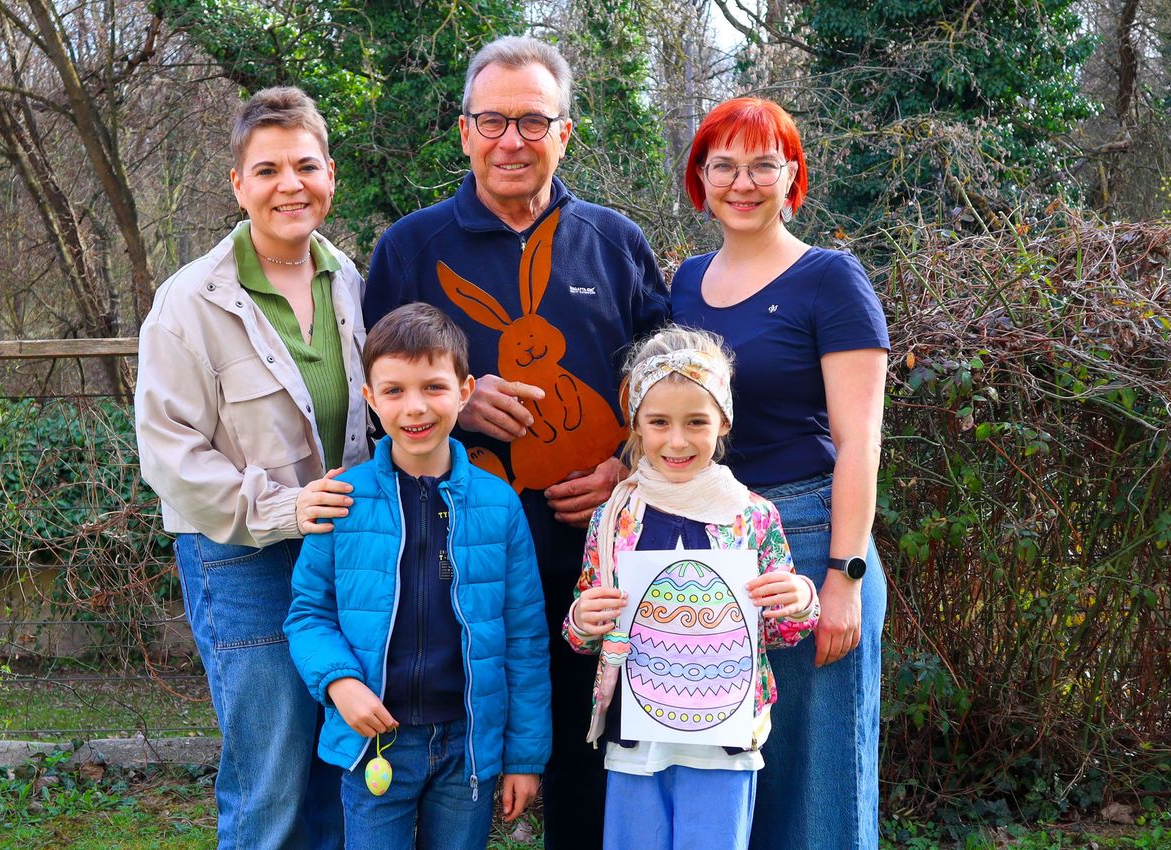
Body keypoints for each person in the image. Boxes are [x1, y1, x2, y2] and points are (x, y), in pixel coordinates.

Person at [363, 35, 668, 848]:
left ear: (566, 132)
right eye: (492, 121)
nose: (511, 141)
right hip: (451, 565)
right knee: (450, 773)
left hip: (595, 559)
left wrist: (624, 469)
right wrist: (456, 405)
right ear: (463, 132)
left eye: (533, 122)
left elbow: (673, 392)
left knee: (587, 756)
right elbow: (374, 403)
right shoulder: (410, 249)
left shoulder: (615, 243)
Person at [134, 87, 369, 850]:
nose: (289, 184)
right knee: (270, 781)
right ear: (238, 184)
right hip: (243, 560)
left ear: (330, 174)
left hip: (343, 556)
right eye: (267, 169)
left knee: (341, 761)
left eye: (305, 165)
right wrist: (282, 509)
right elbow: (169, 456)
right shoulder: (189, 303)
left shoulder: (351, 281)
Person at [670, 97, 891, 849]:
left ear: (792, 174)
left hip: (807, 540)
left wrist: (845, 577)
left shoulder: (830, 280)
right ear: (700, 177)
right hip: (707, 551)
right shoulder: (684, 284)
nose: (743, 181)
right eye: (724, 165)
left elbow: (860, 441)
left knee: (817, 789)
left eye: (763, 164)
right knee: (730, 780)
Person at [283, 302, 551, 850]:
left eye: (433, 387)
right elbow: (308, 615)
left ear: (465, 389)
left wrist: (523, 757)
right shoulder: (344, 500)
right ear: (369, 399)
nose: (415, 408)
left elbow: (525, 638)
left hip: (467, 747)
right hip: (375, 742)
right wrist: (340, 683)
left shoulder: (499, 506)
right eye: (394, 391)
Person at [561, 326, 820, 850]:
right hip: (636, 739)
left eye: (696, 422)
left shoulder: (752, 516)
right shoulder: (615, 518)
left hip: (723, 742)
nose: (676, 440)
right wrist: (582, 619)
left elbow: (780, 632)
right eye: (658, 422)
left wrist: (799, 600)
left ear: (722, 421)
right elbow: (586, 629)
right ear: (635, 423)